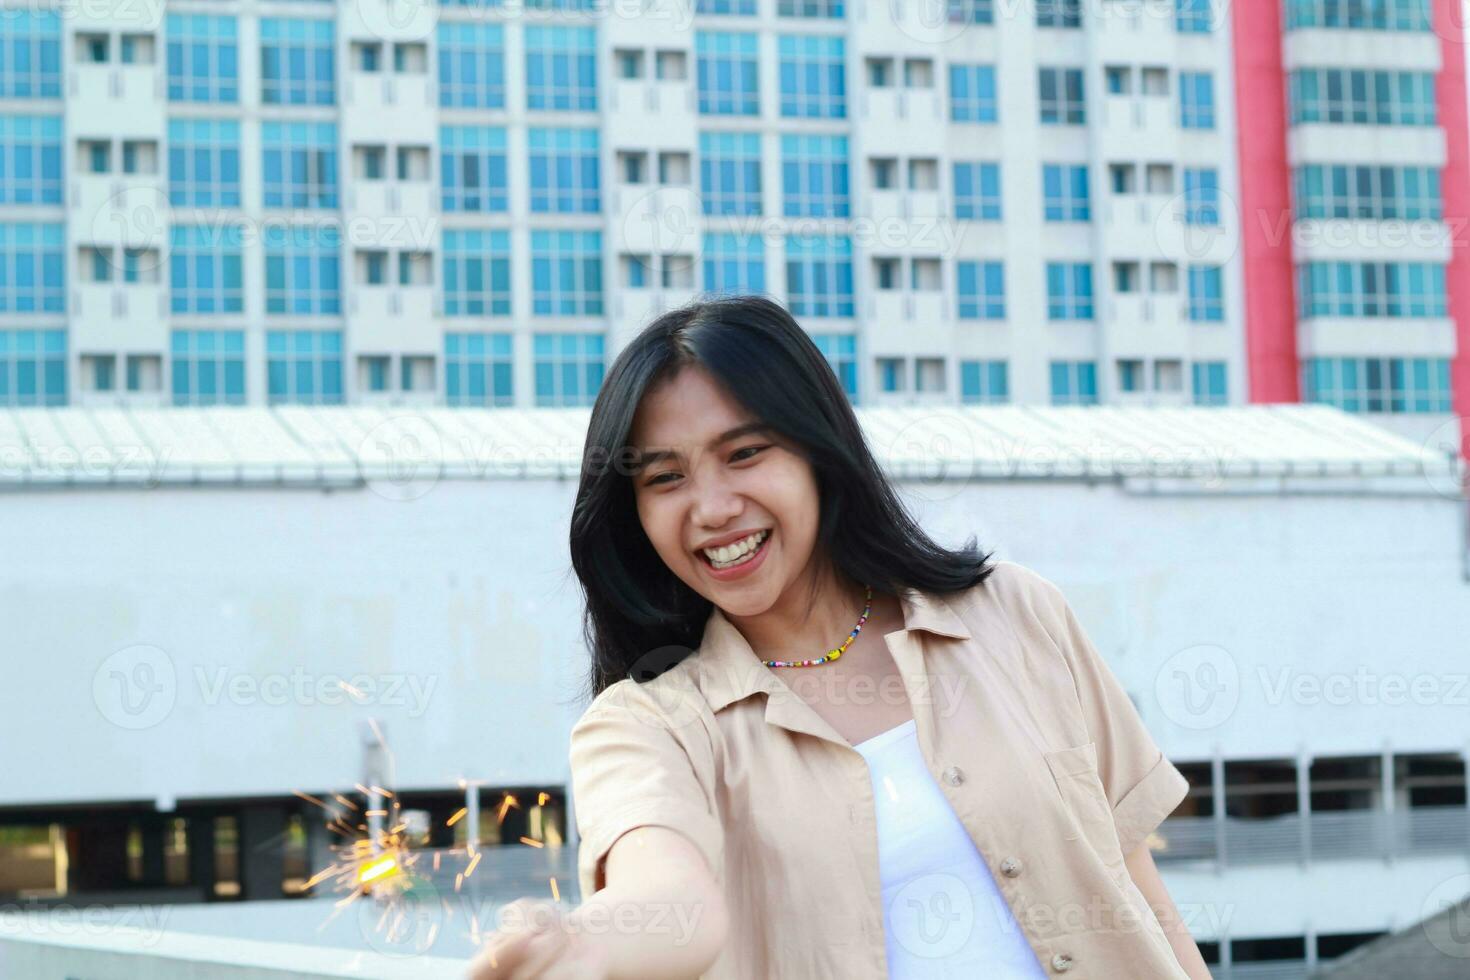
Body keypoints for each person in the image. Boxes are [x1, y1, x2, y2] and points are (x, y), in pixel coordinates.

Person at [467, 295, 1213, 979]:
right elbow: (671, 899)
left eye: (745, 454)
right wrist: (584, 942)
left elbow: (1135, 882)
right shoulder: (647, 728)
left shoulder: (1015, 615)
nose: (713, 507)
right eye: (665, 478)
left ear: (819, 452)